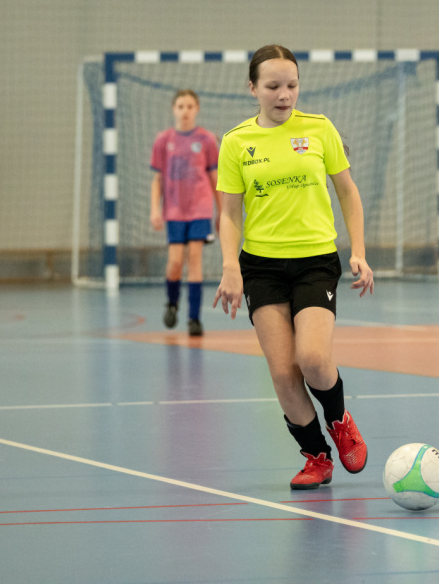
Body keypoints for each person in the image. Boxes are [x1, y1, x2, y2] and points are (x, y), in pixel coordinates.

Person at [213, 44, 375, 490]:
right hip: (261, 268)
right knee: (284, 373)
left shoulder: (319, 130)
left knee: (314, 360)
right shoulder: (236, 142)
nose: (284, 95)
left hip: (315, 262)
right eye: (273, 86)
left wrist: (358, 251)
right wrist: (230, 267)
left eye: (292, 85)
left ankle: (339, 420)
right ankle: (316, 457)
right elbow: (229, 212)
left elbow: (347, 191)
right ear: (252, 88)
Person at [150, 90, 221, 337]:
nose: (185, 111)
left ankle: (194, 319)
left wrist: (221, 211)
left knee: (195, 260)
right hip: (174, 210)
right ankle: (172, 303)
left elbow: (214, 177)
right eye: (180, 106)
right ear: (174, 109)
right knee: (175, 262)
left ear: (197, 109)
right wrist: (155, 209)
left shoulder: (206, 140)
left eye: (190, 106)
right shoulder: (164, 140)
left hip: (200, 209)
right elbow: (157, 179)